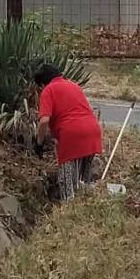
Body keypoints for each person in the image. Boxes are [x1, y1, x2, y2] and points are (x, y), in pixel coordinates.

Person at [33, 63, 103, 200]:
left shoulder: (48, 90)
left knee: (67, 183)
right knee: (83, 182)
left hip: (71, 136)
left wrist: (39, 143)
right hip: (92, 132)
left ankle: (68, 207)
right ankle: (85, 206)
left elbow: (44, 121)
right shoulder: (74, 85)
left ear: (42, 83)